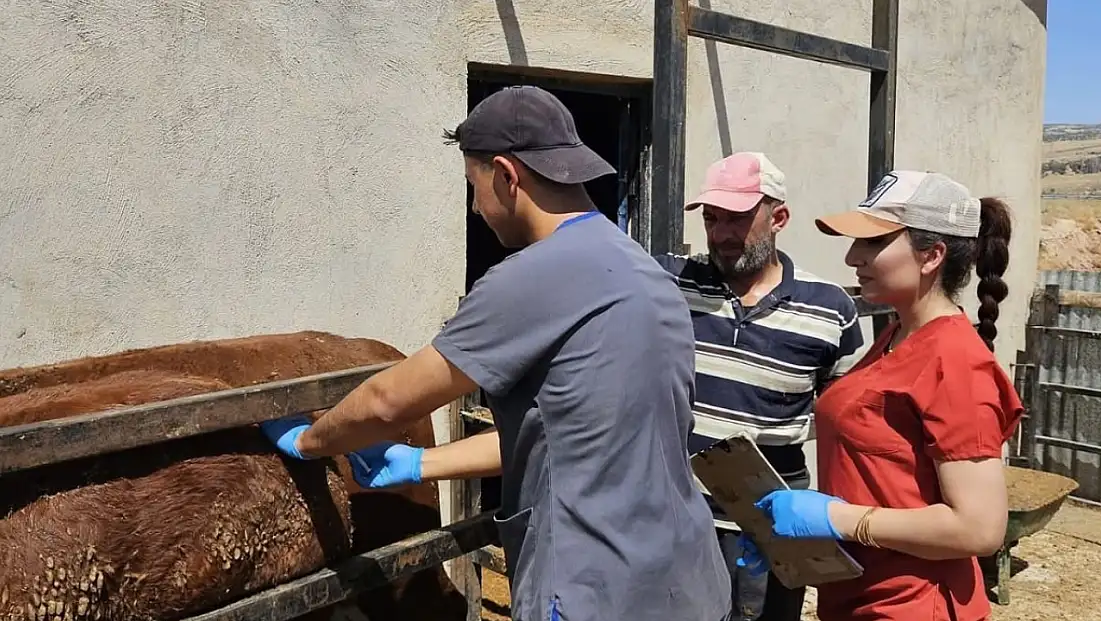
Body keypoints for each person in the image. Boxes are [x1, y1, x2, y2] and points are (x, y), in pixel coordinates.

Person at [260, 85, 732, 621]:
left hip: (595, 591)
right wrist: (422, 463)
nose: (476, 207)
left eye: (474, 186)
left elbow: (390, 401)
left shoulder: (534, 276)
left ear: (507, 176)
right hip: (687, 583)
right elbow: (578, 437)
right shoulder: (647, 273)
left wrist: (312, 440)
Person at [745, 170, 1025, 621]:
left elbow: (979, 527)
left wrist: (839, 519)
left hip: (912, 605)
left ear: (931, 255)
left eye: (873, 243)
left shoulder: (954, 361)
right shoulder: (897, 334)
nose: (854, 257)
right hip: (863, 598)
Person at [653, 152, 865, 621]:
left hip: (770, 525)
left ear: (779, 218)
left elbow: (845, 421)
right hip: (680, 519)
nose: (721, 234)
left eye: (738, 219)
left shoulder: (829, 311)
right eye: (712, 219)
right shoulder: (670, 282)